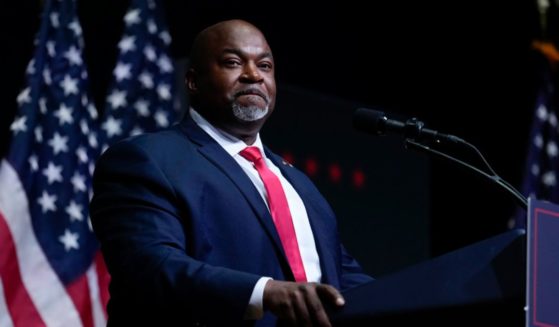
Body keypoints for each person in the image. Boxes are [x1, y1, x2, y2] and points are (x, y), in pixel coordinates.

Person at [90, 19, 373, 327]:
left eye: (265, 66)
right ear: (193, 82)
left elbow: (344, 278)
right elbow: (151, 267)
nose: (253, 75)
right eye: (233, 62)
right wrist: (263, 292)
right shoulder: (147, 160)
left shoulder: (297, 183)